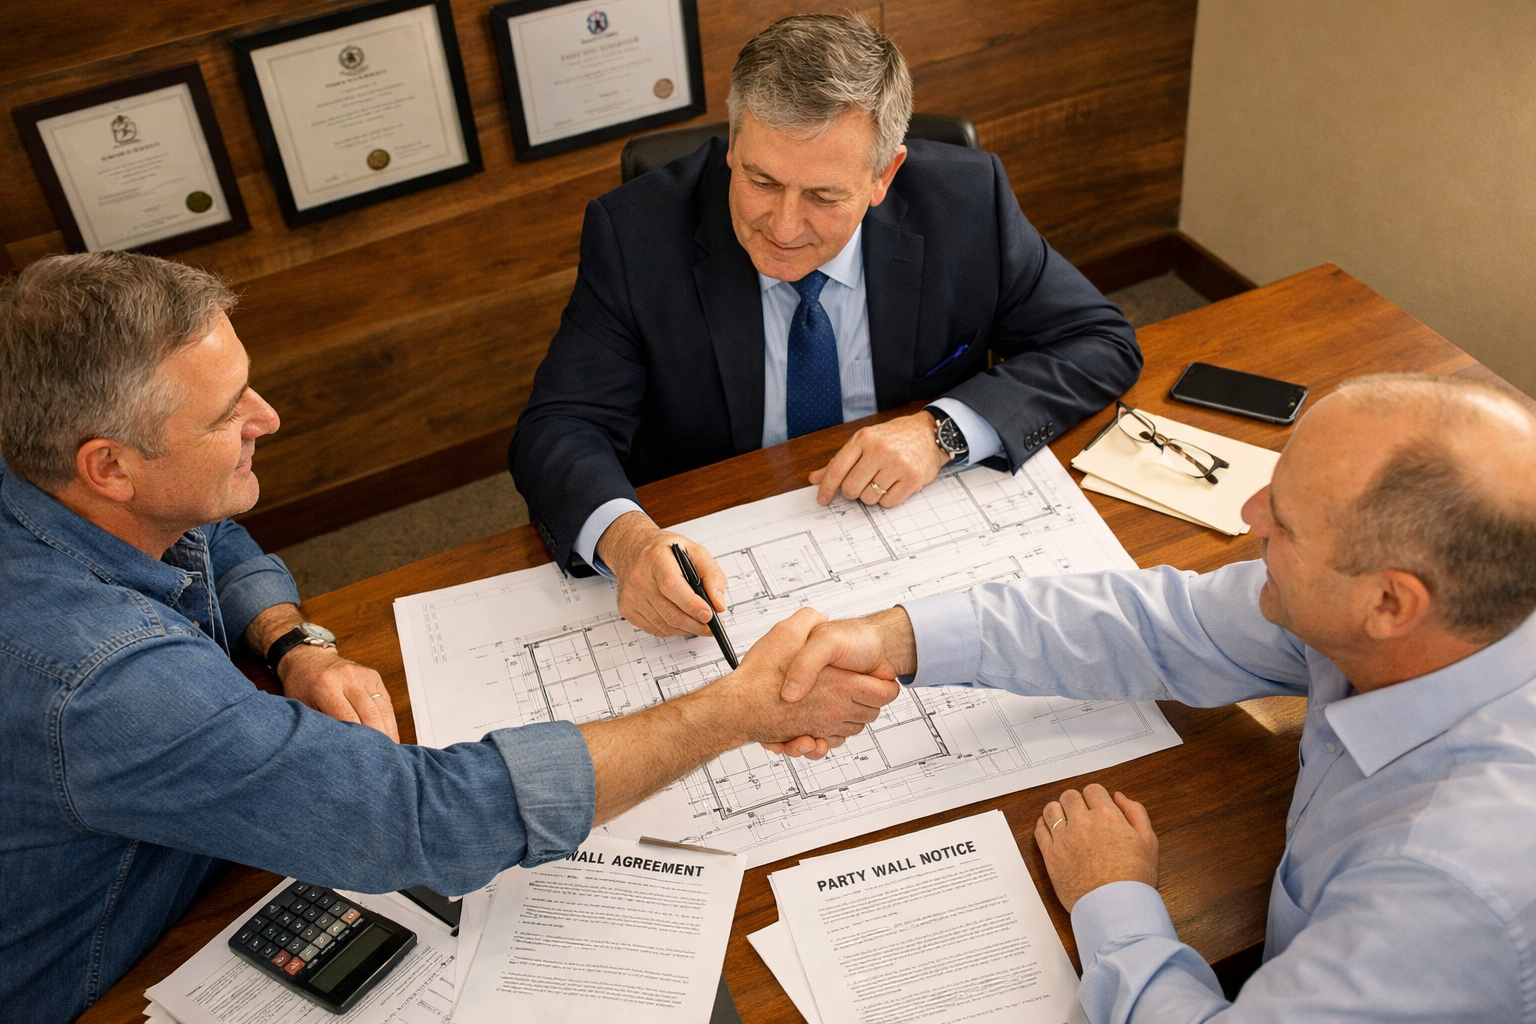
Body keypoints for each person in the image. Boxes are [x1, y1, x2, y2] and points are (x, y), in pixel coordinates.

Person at [0, 252, 899, 1024]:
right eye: (226, 414)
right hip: (102, 971)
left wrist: (290, 640)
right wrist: (734, 709)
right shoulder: (103, 678)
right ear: (107, 465)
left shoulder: (53, 464)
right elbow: (416, 820)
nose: (267, 419)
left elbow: (203, 525)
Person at [774, 374, 1536, 1022]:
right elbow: (1161, 625)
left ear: (1391, 605)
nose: (1250, 515)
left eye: (1288, 523)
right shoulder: (1423, 613)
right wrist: (900, 638)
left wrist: (1112, 900)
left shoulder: (1446, 884)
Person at [509, 13, 1141, 641]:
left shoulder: (969, 204)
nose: (782, 228)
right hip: (721, 552)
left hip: (915, 535)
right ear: (734, 142)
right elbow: (561, 426)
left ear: (883, 176)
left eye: (823, 197)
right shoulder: (635, 235)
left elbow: (1098, 341)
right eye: (760, 180)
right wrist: (627, 542)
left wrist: (941, 432)